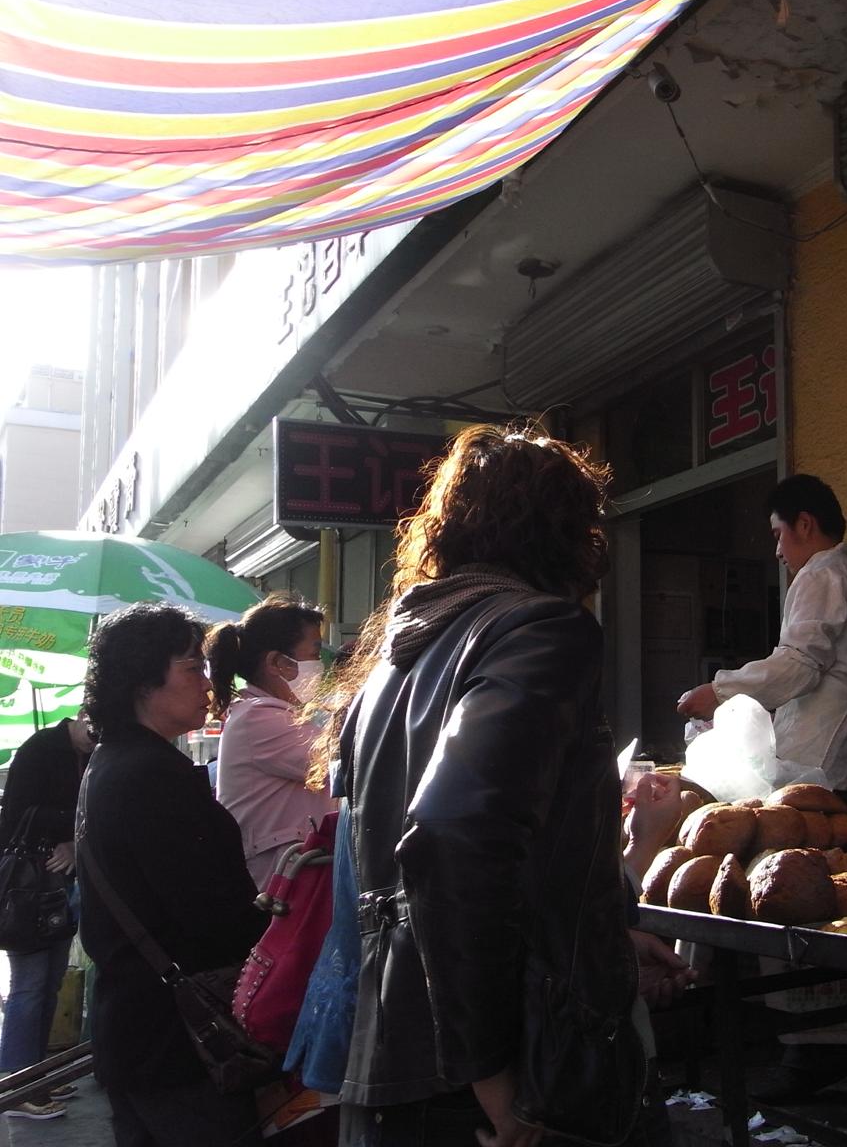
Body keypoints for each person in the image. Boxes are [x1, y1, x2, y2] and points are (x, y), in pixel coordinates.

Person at [324, 422, 691, 1147]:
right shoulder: (541, 630)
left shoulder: (398, 658)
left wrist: (605, 937)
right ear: (569, 533)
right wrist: (493, 1076)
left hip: (395, 1054)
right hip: (507, 1072)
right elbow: (456, 835)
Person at [77, 602, 269, 1146]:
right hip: (180, 1042)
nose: (208, 683)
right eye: (192, 667)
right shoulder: (154, 775)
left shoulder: (110, 762)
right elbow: (214, 915)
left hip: (132, 1026)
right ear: (144, 682)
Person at [677, 474, 847, 816]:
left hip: (822, 752)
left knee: (806, 847)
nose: (778, 551)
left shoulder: (820, 573)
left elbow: (798, 665)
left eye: (778, 535)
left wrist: (720, 691)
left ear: (805, 525)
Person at [205, 596, 338, 889]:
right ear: (277, 663)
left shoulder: (266, 714)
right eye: (315, 653)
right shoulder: (260, 718)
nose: (320, 665)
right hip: (278, 885)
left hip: (287, 878)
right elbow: (341, 760)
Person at [0, 711, 94, 1119]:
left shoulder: (86, 754)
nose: (95, 741)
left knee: (50, 982)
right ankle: (17, 1085)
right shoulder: (40, 749)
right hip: (26, 887)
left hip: (54, 886)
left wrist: (72, 840)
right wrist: (73, 828)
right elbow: (17, 815)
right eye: (93, 732)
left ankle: (36, 1075)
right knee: (30, 984)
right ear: (84, 716)